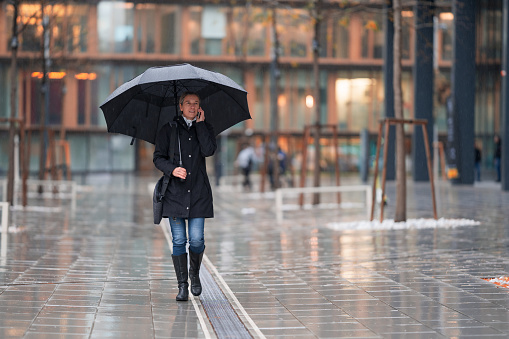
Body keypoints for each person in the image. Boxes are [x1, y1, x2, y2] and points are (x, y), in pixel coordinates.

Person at [153, 92, 217, 301]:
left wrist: (200, 126)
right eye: (188, 103)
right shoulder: (168, 130)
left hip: (198, 193)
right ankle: (182, 285)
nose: (192, 106)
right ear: (180, 106)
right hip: (174, 194)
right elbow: (158, 158)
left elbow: (208, 151)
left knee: (197, 240)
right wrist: (172, 169)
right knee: (179, 240)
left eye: (196, 103)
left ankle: (195, 273)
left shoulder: (205, 128)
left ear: (200, 107)